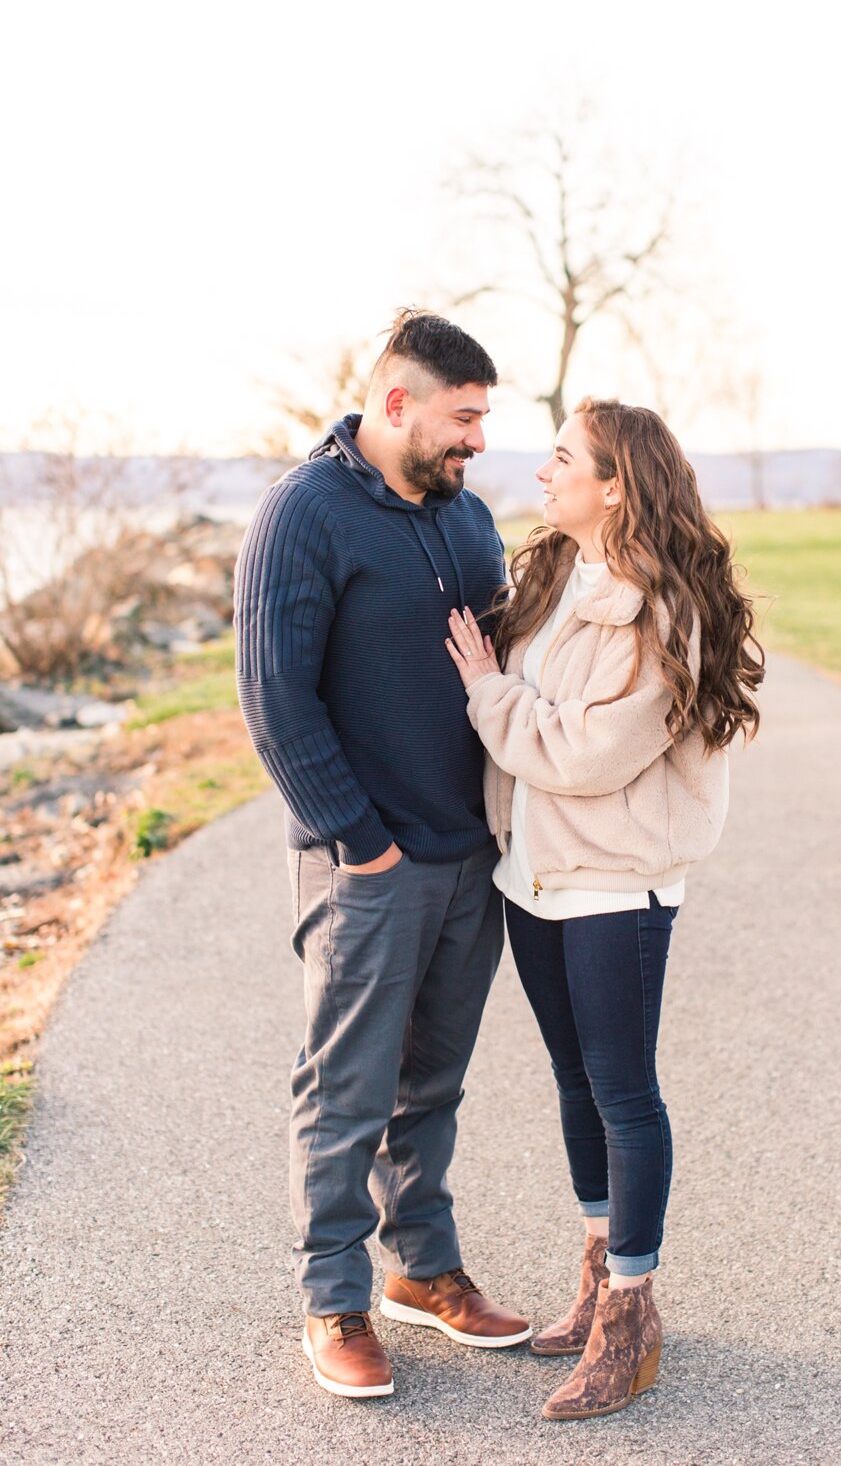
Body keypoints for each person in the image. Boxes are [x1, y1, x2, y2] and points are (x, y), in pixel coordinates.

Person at [445, 396, 764, 1421]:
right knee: (574, 1082)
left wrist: (490, 693)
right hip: (532, 875)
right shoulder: (554, 578)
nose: (541, 474)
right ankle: (595, 1269)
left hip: (615, 883)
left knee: (624, 1092)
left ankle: (631, 1314)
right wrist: (509, 693)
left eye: (561, 459)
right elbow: (546, 725)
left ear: (616, 483)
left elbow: (584, 754)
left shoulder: (665, 608)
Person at [234, 311, 531, 1401]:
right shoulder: (302, 514)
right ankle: (334, 1298)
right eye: (463, 418)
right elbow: (273, 694)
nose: (477, 441)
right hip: (367, 862)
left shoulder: (465, 518)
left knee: (432, 1086)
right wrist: (362, 841)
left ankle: (424, 1270)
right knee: (347, 1088)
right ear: (395, 405)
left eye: (484, 419)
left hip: (470, 861)